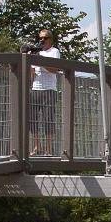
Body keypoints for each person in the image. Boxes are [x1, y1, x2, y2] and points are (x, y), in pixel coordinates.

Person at [29, 26, 64, 155]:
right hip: (36, 88)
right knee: (32, 118)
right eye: (40, 38)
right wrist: (28, 59)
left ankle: (49, 149)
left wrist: (40, 60)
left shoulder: (54, 51)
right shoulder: (36, 52)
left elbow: (54, 69)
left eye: (45, 38)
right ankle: (37, 146)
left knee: (48, 118)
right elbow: (32, 73)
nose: (42, 40)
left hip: (49, 89)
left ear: (51, 40)